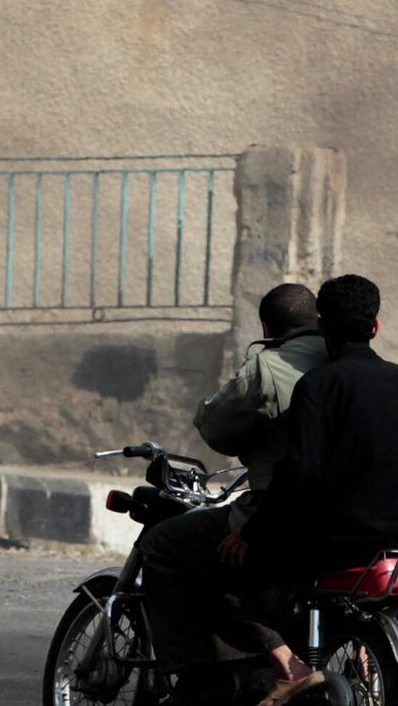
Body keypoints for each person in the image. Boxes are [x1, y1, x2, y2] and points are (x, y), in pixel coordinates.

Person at [229, 273, 398, 706]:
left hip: (338, 542)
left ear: (322, 327)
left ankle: (289, 668)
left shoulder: (320, 384)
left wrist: (251, 533)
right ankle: (359, 660)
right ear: (375, 327)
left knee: (226, 569)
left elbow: (298, 474)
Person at [137, 283, 327, 675]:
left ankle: (192, 674)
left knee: (165, 544)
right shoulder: (349, 365)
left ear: (266, 325)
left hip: (283, 512)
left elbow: (217, 428)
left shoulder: (270, 367)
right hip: (355, 520)